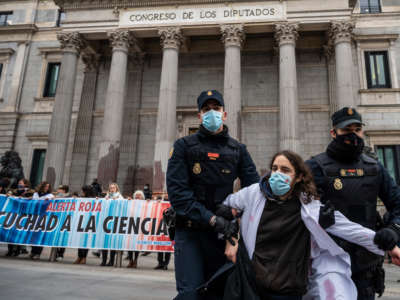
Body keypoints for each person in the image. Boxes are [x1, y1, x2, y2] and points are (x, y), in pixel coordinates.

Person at [222, 150, 400, 300]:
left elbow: (350, 230)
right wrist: (231, 238)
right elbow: (226, 207)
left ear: (299, 177)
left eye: (285, 170)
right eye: (274, 168)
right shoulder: (254, 194)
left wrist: (388, 245)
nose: (277, 174)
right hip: (255, 284)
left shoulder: (309, 206)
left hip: (289, 287)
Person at [167, 90, 260, 300]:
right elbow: (179, 195)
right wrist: (212, 219)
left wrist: (234, 227)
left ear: (224, 114)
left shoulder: (238, 150)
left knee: (220, 292)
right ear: (199, 116)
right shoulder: (183, 147)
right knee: (190, 294)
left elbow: (253, 193)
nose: (211, 113)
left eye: (216, 109)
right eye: (206, 109)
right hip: (191, 232)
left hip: (222, 235)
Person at [305, 107, 400, 300]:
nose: (353, 135)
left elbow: (397, 204)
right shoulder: (315, 166)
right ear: (333, 133)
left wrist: (393, 230)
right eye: (347, 131)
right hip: (329, 262)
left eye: (357, 129)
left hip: (366, 264)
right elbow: (297, 207)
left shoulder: (374, 167)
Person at [6, 179, 33, 257]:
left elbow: (34, 197)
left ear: (25, 184)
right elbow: (9, 192)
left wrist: (30, 197)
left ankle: (18, 250)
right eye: (19, 183)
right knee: (10, 231)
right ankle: (10, 250)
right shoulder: (15, 191)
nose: (19, 184)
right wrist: (9, 194)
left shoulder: (31, 191)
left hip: (24, 215)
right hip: (13, 213)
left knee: (19, 232)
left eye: (20, 183)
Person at [101, 183, 123, 266]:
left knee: (112, 242)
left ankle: (111, 261)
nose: (112, 189)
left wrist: (116, 200)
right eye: (110, 188)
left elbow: (122, 205)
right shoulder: (107, 196)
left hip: (114, 220)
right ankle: (103, 260)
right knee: (104, 242)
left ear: (116, 189)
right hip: (106, 220)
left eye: (113, 188)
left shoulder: (119, 197)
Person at [30, 181, 54, 260]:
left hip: (44, 216)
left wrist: (50, 199)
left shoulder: (50, 195)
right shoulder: (36, 194)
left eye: (48, 187)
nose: (47, 188)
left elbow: (53, 200)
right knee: (34, 234)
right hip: (35, 216)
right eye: (45, 186)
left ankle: (38, 253)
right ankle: (33, 251)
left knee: (40, 234)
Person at [74, 185, 96, 265]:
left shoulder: (93, 199)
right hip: (81, 220)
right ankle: (79, 256)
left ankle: (84, 257)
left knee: (86, 240)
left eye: (83, 191)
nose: (81, 192)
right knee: (79, 240)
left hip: (89, 221)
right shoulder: (81, 198)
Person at [126, 190, 145, 268]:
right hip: (131, 225)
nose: (137, 197)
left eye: (139, 195)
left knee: (137, 245)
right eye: (136, 195)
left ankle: (135, 260)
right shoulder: (131, 202)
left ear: (142, 197)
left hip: (140, 226)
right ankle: (130, 260)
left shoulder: (145, 203)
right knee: (130, 244)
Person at [54, 185, 70, 261]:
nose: (58, 190)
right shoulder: (56, 196)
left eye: (60, 189)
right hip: (57, 218)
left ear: (64, 190)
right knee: (56, 237)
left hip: (65, 219)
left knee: (63, 237)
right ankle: (56, 253)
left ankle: (61, 254)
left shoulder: (68, 197)